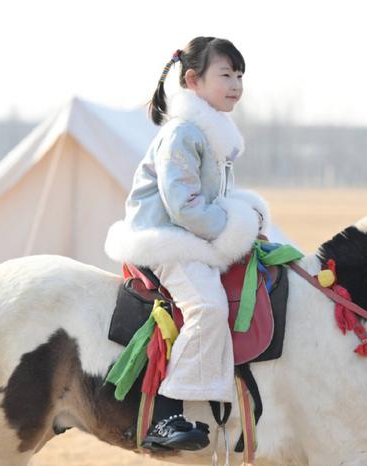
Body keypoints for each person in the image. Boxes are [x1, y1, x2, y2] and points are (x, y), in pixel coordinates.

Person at [104, 36, 270, 451]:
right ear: (193, 80)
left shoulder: (211, 136)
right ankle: (164, 415)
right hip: (167, 240)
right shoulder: (182, 134)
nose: (235, 84)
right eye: (225, 74)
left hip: (190, 236)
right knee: (209, 307)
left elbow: (212, 201)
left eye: (240, 75)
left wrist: (247, 222)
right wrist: (234, 231)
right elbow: (185, 206)